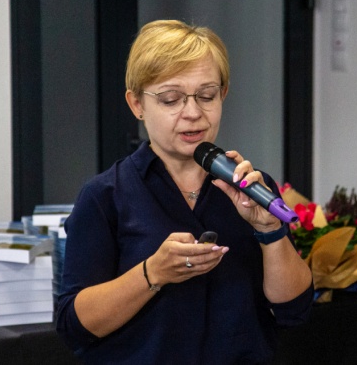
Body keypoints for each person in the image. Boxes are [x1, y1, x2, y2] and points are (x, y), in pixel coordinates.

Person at [56, 20, 313, 364]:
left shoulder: (250, 186)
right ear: (137, 104)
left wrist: (271, 231)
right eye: (171, 99)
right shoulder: (105, 195)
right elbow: (75, 327)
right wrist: (153, 273)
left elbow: (294, 310)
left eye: (207, 96)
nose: (193, 113)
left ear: (223, 95)